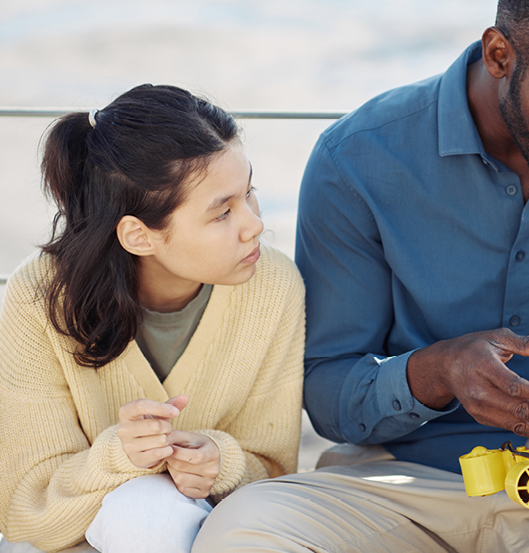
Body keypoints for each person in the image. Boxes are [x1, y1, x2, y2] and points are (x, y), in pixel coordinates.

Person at [193, 0, 529, 551]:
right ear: (499, 55)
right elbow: (327, 391)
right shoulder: (359, 158)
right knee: (243, 531)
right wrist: (438, 373)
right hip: (391, 486)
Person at [0, 84, 305, 553]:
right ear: (139, 236)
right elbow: (26, 512)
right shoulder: (39, 299)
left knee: (151, 514)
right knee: (145, 512)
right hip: (65, 539)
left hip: (206, 530)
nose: (255, 224)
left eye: (250, 194)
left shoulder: (274, 284)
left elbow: (277, 474)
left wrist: (220, 463)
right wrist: (118, 458)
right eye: (223, 212)